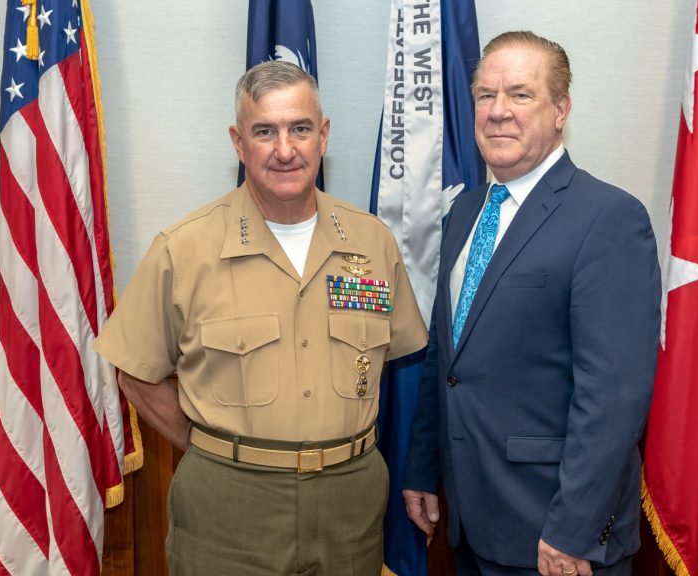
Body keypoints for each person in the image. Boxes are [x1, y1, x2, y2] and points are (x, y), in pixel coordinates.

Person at [94, 60, 427, 575]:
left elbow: (402, 358)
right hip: (230, 506)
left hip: (351, 504)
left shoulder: (372, 243)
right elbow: (135, 374)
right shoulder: (185, 249)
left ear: (324, 135)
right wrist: (215, 450)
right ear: (238, 142)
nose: (285, 149)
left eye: (300, 128)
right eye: (265, 131)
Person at [402, 31, 661, 576]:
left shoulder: (608, 218)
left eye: (520, 95)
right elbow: (444, 361)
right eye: (484, 96)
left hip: (556, 538)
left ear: (561, 108)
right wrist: (423, 467)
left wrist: (574, 530)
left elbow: (613, 397)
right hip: (471, 520)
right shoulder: (465, 215)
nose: (498, 113)